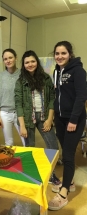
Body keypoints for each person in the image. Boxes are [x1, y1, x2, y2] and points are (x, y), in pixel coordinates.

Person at [48, 41, 86, 211]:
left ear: (70, 54)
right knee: (65, 151)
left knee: (69, 155)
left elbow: (81, 97)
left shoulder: (78, 71)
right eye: (57, 53)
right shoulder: (57, 71)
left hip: (74, 120)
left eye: (63, 53)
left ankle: (63, 194)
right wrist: (56, 116)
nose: (60, 56)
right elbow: (58, 95)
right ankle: (69, 182)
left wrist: (73, 120)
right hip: (61, 119)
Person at [15, 50, 61, 184]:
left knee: (53, 146)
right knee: (30, 148)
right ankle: (32, 175)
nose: (30, 64)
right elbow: (18, 103)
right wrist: (22, 126)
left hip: (44, 116)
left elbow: (52, 98)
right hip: (27, 119)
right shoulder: (20, 81)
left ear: (37, 62)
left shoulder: (46, 78)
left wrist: (49, 119)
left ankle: (51, 174)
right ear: (23, 65)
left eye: (32, 61)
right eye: (27, 62)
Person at [0, 48, 25, 146]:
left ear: (16, 58)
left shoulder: (23, 75)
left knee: (25, 140)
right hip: (4, 114)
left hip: (20, 113)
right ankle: (9, 161)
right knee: (8, 142)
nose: (8, 61)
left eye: (10, 57)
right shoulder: (0, 77)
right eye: (5, 59)